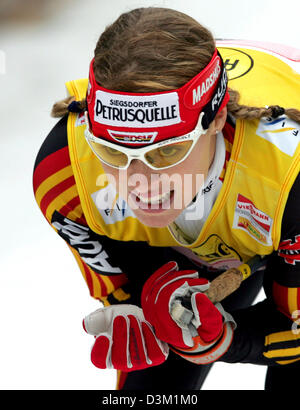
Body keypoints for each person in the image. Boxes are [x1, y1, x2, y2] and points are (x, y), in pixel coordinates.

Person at [33, 7, 300, 391]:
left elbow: (293, 329)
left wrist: (226, 340)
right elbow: (128, 301)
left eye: (165, 153)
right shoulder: (66, 173)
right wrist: (133, 311)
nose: (140, 183)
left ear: (218, 118)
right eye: (113, 152)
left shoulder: (288, 177)